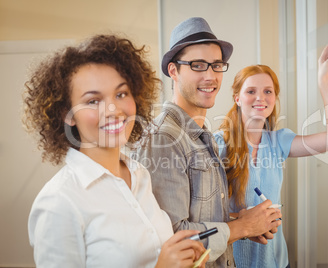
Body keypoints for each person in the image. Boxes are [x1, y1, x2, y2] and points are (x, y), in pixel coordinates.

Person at [23, 34, 209, 268]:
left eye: (121, 94)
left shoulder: (139, 174)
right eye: (93, 101)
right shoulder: (59, 202)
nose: (113, 110)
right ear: (66, 114)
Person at [134, 17, 282, 268]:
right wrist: (242, 227)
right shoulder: (164, 139)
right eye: (198, 65)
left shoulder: (203, 135)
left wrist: (241, 221)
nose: (210, 76)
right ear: (173, 70)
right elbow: (173, 237)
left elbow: (202, 214)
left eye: (216, 65)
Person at [213, 46, 328, 268]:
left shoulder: (279, 141)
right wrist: (243, 222)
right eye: (251, 91)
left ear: (275, 98)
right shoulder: (218, 144)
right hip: (234, 262)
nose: (260, 98)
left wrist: (324, 81)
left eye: (268, 91)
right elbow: (205, 214)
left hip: (276, 261)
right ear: (237, 98)